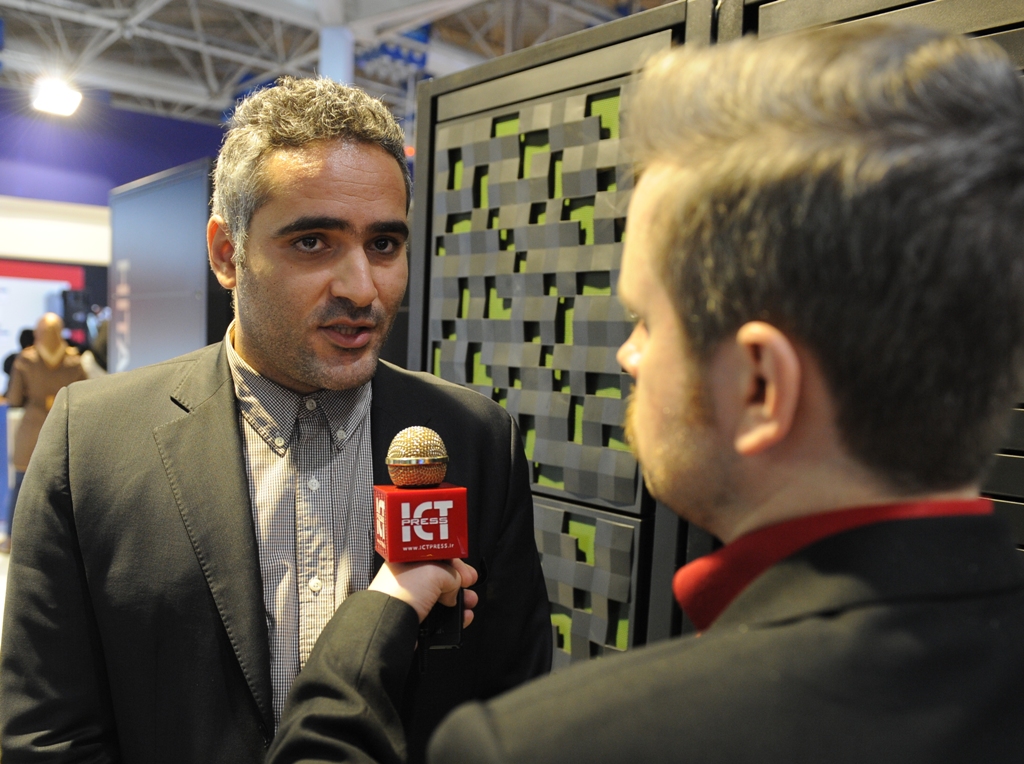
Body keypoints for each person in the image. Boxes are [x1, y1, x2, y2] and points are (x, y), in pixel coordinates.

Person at [265, 21, 1024, 764]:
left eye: (648, 321)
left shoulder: (554, 744)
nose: (628, 357)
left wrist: (376, 620)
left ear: (762, 386)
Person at [0, 78, 550, 763]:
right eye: (313, 242)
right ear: (226, 253)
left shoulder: (475, 438)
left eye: (384, 244)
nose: (362, 288)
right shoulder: (94, 439)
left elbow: (512, 707)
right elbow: (48, 735)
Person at [3, 314, 87, 551]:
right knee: (64, 487)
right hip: (63, 427)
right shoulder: (74, 361)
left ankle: (12, 538)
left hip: (32, 428)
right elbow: (84, 394)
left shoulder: (26, 360)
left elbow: (14, 398)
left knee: (22, 484)